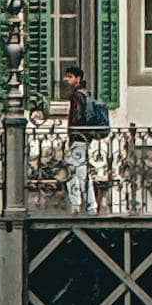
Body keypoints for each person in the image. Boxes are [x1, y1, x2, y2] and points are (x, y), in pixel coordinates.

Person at [62, 62, 110, 213]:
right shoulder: (85, 94)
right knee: (81, 172)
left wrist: (74, 131)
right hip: (83, 138)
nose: (66, 80)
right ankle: (90, 205)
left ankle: (79, 204)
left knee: (71, 171)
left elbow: (77, 116)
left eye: (69, 77)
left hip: (78, 138)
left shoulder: (77, 95)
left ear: (77, 78)